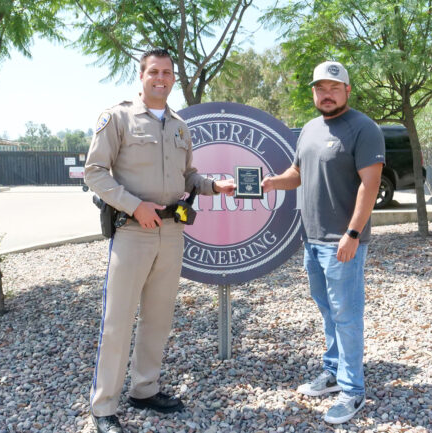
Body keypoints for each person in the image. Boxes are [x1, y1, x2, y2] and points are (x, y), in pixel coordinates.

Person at [85, 48, 235, 433]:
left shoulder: (180, 126)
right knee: (118, 321)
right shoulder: (117, 118)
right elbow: (96, 173)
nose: (161, 78)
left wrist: (214, 186)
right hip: (134, 231)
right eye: (154, 72)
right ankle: (103, 407)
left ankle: (145, 389)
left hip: (171, 233)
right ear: (142, 76)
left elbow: (188, 178)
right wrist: (135, 206)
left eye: (168, 72)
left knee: (158, 318)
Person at [261, 60, 384, 425]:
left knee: (347, 315)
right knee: (328, 311)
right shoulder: (311, 129)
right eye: (320, 88)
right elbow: (296, 174)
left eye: (333, 87)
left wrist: (353, 233)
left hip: (342, 242)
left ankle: (352, 391)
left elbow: (370, 184)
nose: (326, 94)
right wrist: (269, 183)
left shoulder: (364, 129)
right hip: (312, 240)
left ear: (347, 90)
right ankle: (333, 372)